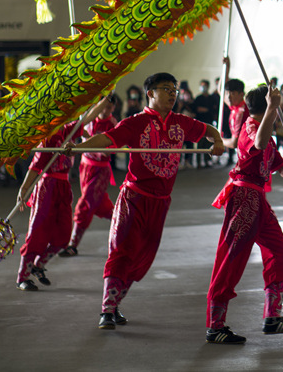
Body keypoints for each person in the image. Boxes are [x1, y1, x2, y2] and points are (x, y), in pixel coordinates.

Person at [63, 73, 224, 329]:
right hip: (134, 198)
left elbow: (209, 130)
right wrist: (77, 147)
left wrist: (217, 141)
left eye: (175, 88)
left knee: (142, 258)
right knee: (121, 251)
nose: (173, 93)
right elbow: (108, 139)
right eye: (166, 89)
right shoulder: (135, 123)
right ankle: (106, 310)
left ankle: (115, 306)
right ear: (150, 93)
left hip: (161, 203)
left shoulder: (181, 123)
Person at [205, 85, 283, 344]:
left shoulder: (268, 136)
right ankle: (215, 326)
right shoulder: (251, 127)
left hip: (258, 201)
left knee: (281, 254)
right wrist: (273, 108)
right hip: (243, 200)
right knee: (231, 261)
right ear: (267, 107)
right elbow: (259, 142)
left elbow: (282, 170)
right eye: (275, 107)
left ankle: (272, 317)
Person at [16, 98, 109, 291]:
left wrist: (104, 98)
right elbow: (35, 167)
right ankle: (23, 276)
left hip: (64, 187)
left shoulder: (68, 131)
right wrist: (24, 189)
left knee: (63, 236)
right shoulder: (48, 139)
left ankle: (39, 265)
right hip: (47, 188)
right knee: (38, 232)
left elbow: (88, 117)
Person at [60, 97, 118, 257]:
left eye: (108, 107)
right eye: (102, 106)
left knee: (85, 204)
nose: (104, 110)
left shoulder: (113, 124)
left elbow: (110, 150)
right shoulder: (89, 119)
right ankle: (128, 224)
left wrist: (95, 144)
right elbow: (79, 129)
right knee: (101, 206)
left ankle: (73, 245)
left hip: (100, 171)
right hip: (85, 167)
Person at [220, 57, 245, 166]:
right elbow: (221, 90)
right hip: (242, 157)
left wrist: (219, 140)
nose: (229, 97)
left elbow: (234, 143)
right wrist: (226, 69)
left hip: (249, 158)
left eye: (233, 93)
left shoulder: (241, 112)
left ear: (241, 94)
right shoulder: (235, 107)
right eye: (228, 93)